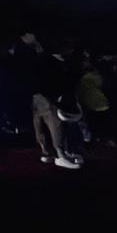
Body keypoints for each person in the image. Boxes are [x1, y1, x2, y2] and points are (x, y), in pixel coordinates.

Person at [22, 34, 80, 169]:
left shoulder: (39, 58)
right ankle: (61, 155)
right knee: (55, 125)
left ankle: (47, 154)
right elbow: (56, 81)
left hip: (37, 96)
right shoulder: (50, 61)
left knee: (40, 125)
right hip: (47, 96)